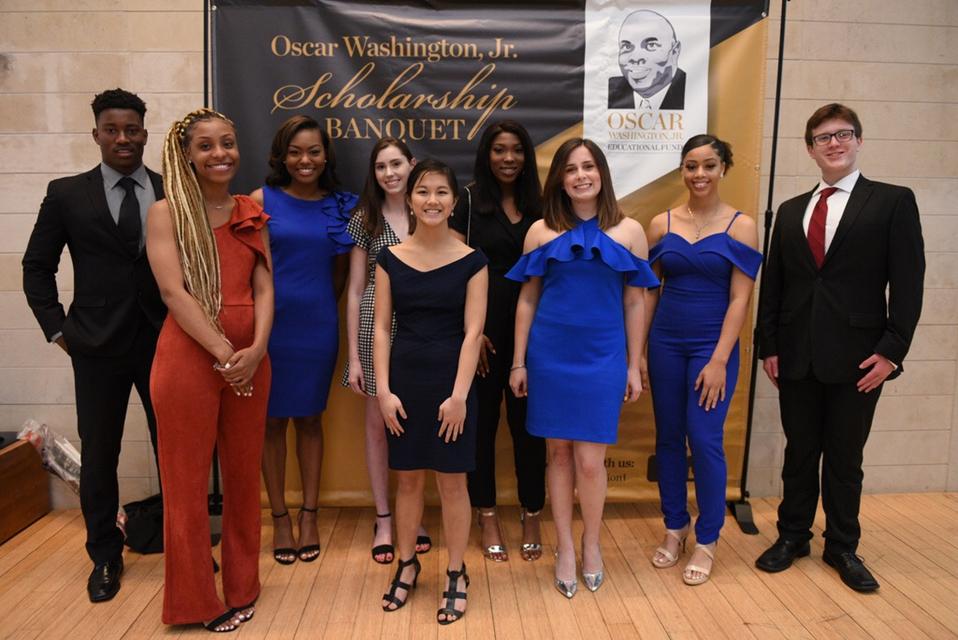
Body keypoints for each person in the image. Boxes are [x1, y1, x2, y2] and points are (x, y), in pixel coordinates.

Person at [756, 104, 924, 592]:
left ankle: (843, 545)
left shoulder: (892, 202)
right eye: (822, 138)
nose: (833, 143)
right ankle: (792, 536)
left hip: (861, 358)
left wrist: (893, 351)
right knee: (800, 452)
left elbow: (909, 283)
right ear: (810, 148)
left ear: (858, 141)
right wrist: (769, 343)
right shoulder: (790, 211)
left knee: (846, 457)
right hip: (795, 355)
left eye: (842, 135)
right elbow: (776, 286)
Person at [22, 88, 167, 603]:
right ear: (97, 135)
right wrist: (57, 329)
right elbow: (36, 267)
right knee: (100, 456)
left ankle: (186, 549)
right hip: (96, 346)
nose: (123, 138)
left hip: (164, 343)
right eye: (112, 130)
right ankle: (105, 556)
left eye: (132, 130)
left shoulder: (173, 188)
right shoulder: (66, 193)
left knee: (174, 450)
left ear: (145, 133)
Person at [507, 139, 657, 598]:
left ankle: (592, 544)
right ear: (560, 179)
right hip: (549, 354)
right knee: (556, 454)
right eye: (570, 169)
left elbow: (636, 299)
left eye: (588, 166)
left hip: (603, 356)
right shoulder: (540, 231)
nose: (580, 175)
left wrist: (635, 363)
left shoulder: (630, 231)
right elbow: (528, 297)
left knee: (590, 461)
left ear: (602, 173)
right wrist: (518, 361)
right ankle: (565, 548)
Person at [147, 109, 273, 631]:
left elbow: (265, 286)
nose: (220, 154)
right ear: (186, 154)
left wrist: (257, 349)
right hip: (189, 360)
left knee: (245, 480)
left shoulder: (250, 209)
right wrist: (226, 354)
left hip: (252, 361)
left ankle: (243, 584)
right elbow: (174, 293)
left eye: (228, 142)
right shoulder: (166, 213)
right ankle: (195, 602)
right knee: (186, 485)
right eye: (206, 146)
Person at [643, 135, 761, 586]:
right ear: (682, 170)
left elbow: (740, 299)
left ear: (723, 169)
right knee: (669, 438)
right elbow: (648, 293)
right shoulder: (661, 223)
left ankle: (708, 538)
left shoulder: (741, 226)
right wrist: (639, 354)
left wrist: (718, 359)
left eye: (709, 165)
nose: (699, 174)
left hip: (714, 348)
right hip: (666, 343)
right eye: (691, 165)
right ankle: (676, 528)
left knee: (705, 438)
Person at [374, 159, 488, 624]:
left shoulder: (473, 261)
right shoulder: (389, 257)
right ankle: (406, 564)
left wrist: (459, 395)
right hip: (404, 382)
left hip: (452, 386)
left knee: (453, 482)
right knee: (408, 481)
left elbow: (474, 332)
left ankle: (457, 573)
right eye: (423, 191)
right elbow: (381, 328)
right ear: (411, 199)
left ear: (454, 202)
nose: (432, 200)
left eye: (442, 192)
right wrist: (383, 390)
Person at [250, 116, 356, 565]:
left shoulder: (339, 205)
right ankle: (279, 518)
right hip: (268, 329)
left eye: (313, 151)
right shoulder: (260, 200)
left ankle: (309, 514)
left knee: (311, 420)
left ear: (326, 155)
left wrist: (317, 311)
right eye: (295, 152)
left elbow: (341, 275)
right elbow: (249, 267)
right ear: (281, 156)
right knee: (271, 423)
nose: (305, 160)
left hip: (316, 326)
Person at [449, 120, 546, 563]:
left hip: (536, 338)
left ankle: (531, 512)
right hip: (481, 340)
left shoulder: (544, 206)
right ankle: (486, 513)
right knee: (481, 430)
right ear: (485, 155)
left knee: (531, 431)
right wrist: (472, 330)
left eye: (517, 149)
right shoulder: (466, 202)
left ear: (527, 156)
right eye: (498, 150)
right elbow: (451, 269)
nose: (508, 158)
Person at [342, 136, 432, 564]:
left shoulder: (431, 211)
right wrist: (355, 358)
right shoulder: (366, 217)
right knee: (378, 426)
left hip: (421, 331)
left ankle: (414, 515)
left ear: (413, 165)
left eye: (397, 163)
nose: (390, 173)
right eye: (381, 167)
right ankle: (383, 518)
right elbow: (355, 288)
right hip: (372, 329)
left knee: (415, 425)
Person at [608, 9, 685, 110]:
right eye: (627, 47)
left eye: (651, 45)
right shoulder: (605, 92)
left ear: (674, 52)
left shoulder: (696, 91)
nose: (635, 58)